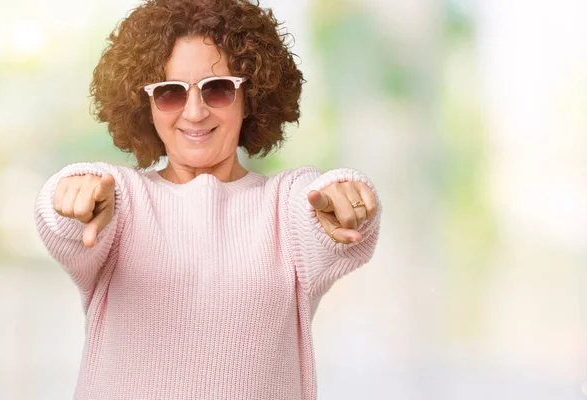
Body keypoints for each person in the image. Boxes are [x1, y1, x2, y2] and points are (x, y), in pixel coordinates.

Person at [34, 0, 381, 398]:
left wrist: (347, 202)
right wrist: (72, 199)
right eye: (170, 93)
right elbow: (66, 227)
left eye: (217, 89)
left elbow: (326, 221)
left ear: (250, 96)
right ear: (146, 105)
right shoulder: (122, 199)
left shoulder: (285, 204)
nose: (195, 112)